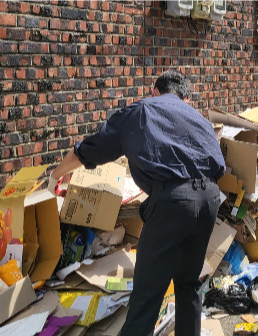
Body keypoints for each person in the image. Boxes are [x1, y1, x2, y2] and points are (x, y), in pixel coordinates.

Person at [46, 70, 225, 336]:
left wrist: (55, 175)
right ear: (185, 98)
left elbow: (90, 148)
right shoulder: (197, 118)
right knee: (188, 285)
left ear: (154, 91)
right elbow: (218, 165)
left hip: (173, 202)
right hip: (210, 198)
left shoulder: (141, 111)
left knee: (146, 297)